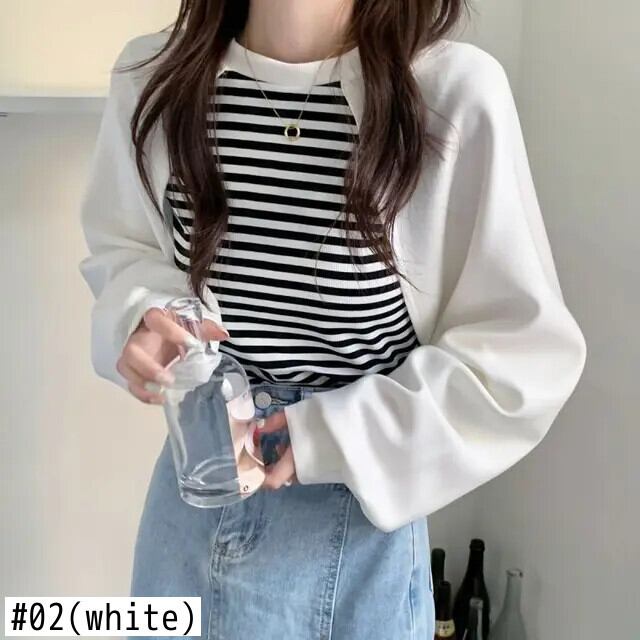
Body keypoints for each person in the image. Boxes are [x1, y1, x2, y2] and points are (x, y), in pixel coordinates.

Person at [78, 1, 587, 638]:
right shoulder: (153, 76)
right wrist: (145, 315)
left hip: (356, 535)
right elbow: (124, 247)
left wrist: (327, 435)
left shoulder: (448, 93)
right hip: (192, 504)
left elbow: (523, 355)